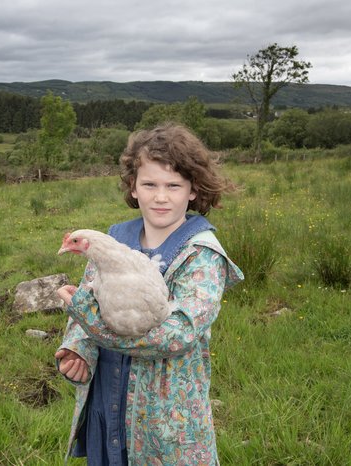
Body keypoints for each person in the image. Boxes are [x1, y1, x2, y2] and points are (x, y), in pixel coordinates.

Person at [55, 123, 244, 465]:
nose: (160, 196)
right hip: (108, 395)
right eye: (149, 184)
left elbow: (178, 335)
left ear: (192, 190)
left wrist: (95, 326)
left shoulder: (201, 254)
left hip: (165, 409)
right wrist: (78, 348)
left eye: (173, 185)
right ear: (133, 187)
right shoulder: (113, 242)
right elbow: (88, 297)